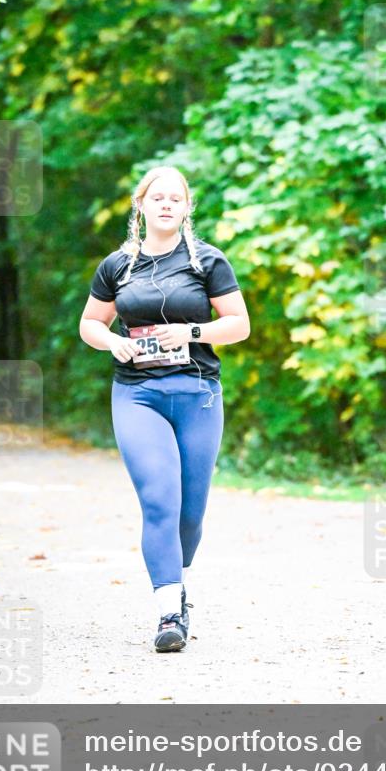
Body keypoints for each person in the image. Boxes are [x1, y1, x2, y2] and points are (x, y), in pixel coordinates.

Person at [79, 165, 250, 653]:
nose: (167, 204)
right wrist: (113, 342)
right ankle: (168, 612)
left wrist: (192, 332)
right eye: (158, 198)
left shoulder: (207, 262)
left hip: (198, 392)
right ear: (141, 206)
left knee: (190, 515)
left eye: (176, 198)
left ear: (187, 207)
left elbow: (239, 324)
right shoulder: (118, 265)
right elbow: (90, 323)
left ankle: (178, 577)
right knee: (159, 498)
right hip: (137, 394)